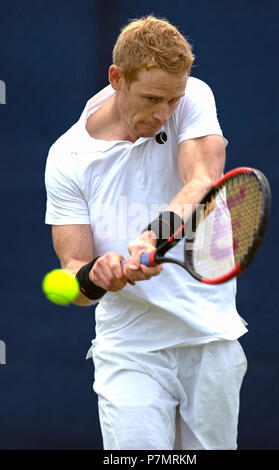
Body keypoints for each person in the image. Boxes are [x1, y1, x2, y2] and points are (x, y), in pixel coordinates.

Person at [44, 15, 248, 450]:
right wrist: (98, 275)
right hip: (129, 349)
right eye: (152, 98)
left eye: (172, 101)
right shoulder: (66, 158)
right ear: (116, 79)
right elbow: (75, 273)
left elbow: (203, 179)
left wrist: (154, 236)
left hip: (208, 339)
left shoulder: (193, 95)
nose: (163, 113)